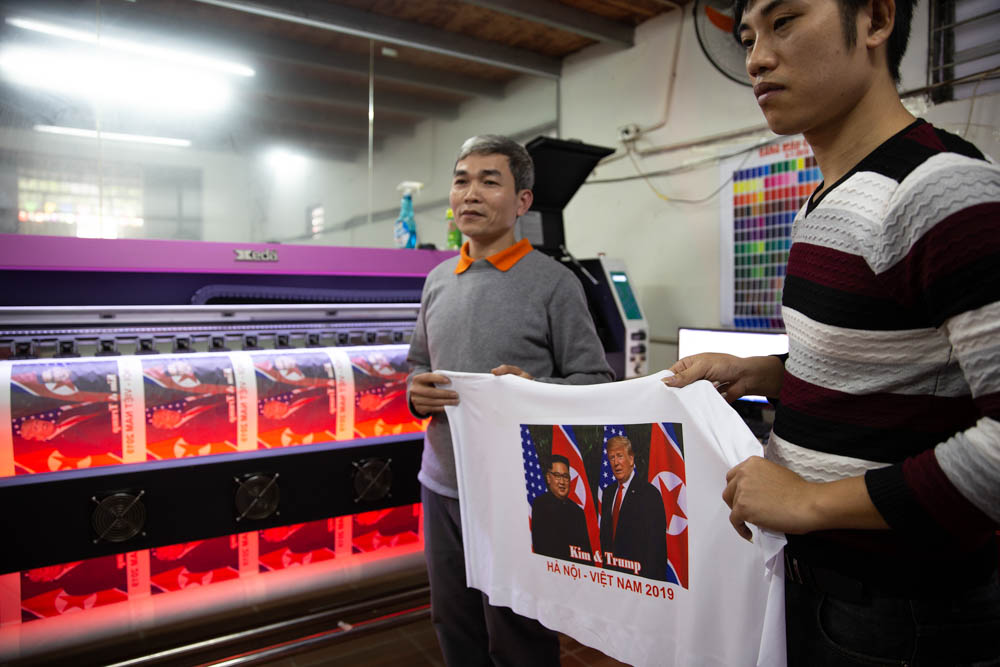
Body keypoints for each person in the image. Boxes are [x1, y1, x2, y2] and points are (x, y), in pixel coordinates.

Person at [665, 0, 1000, 662]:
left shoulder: (939, 190)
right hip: (822, 588)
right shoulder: (829, 196)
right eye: (748, 36)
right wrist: (763, 372)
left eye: (785, 21)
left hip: (907, 614)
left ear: (875, 21)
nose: (757, 57)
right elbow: (894, 369)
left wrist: (813, 502)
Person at [407, 134, 614, 666]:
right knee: (453, 623)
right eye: (461, 180)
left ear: (522, 201)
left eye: (488, 181)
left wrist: (532, 393)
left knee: (519, 632)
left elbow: (594, 380)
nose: (470, 194)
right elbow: (417, 365)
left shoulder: (554, 284)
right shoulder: (436, 281)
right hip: (444, 485)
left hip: (519, 494)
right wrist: (415, 392)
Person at [598, 435, 667, 581]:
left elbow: (656, 550)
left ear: (631, 459)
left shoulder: (649, 494)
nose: (616, 463)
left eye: (620, 456)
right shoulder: (608, 494)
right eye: (611, 458)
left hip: (639, 582)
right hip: (612, 580)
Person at [531, 455, 591, 562]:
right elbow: (543, 549)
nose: (562, 482)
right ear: (548, 478)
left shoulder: (578, 512)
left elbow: (586, 554)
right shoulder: (540, 505)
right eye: (557, 476)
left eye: (566, 477)